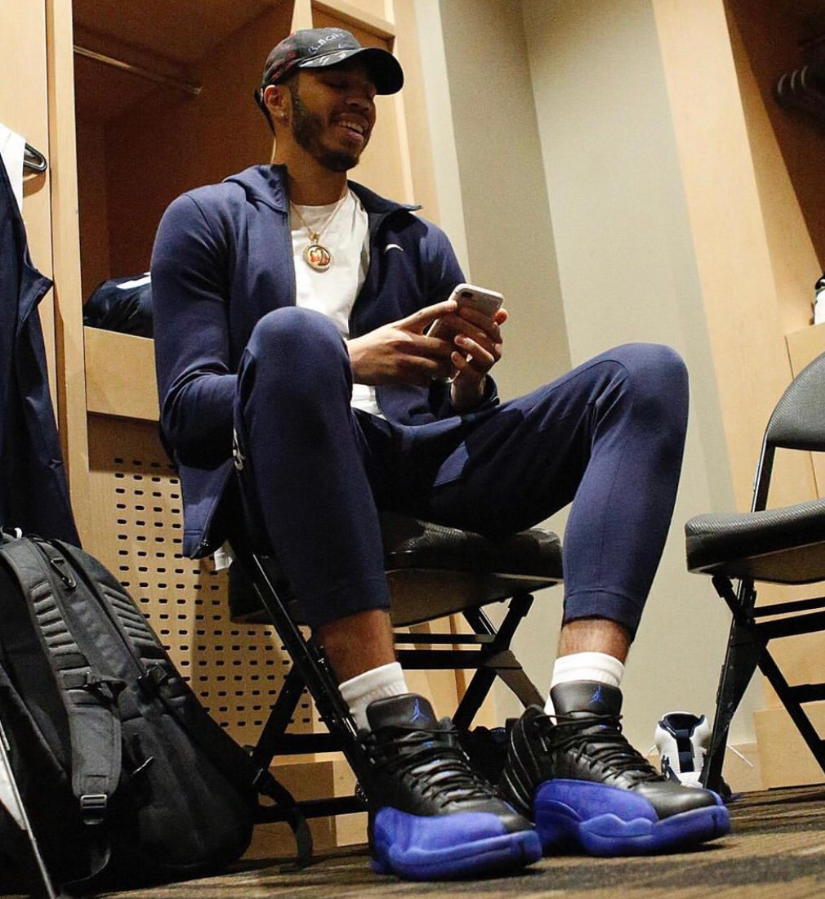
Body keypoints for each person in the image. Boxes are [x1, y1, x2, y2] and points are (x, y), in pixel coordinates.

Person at [151, 27, 730, 881]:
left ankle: (579, 719)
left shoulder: (411, 239)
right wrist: (344, 358)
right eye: (335, 83)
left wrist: (466, 382)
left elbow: (466, 413)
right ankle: (393, 736)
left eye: (370, 87)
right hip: (293, 466)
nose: (359, 100)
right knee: (297, 338)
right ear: (276, 97)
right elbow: (188, 413)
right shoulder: (205, 219)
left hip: (421, 456)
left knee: (644, 373)